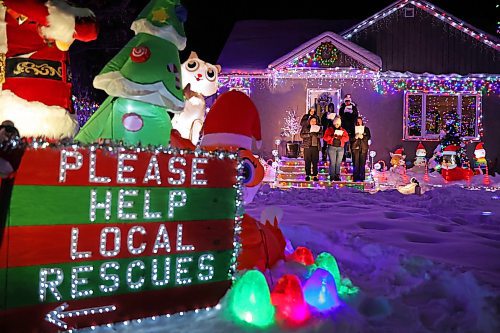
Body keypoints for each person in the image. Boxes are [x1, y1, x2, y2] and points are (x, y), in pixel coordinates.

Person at [323, 116, 349, 181]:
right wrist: (332, 136)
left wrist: (341, 138)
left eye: (338, 124)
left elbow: (347, 138)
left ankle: (337, 176)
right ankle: (332, 176)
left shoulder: (343, 130)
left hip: (340, 148)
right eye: (335, 124)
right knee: (332, 162)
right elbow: (325, 138)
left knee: (338, 163)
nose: (337, 125)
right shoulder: (330, 129)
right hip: (332, 147)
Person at [339, 94, 359, 160]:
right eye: (346, 101)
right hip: (344, 127)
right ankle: (343, 156)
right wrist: (345, 113)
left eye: (348, 101)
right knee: (344, 143)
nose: (347, 102)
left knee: (352, 143)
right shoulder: (342, 108)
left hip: (351, 127)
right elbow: (341, 116)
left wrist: (352, 113)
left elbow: (356, 116)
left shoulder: (354, 108)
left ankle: (352, 156)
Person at [351, 117, 371, 182]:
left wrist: (363, 137)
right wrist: (355, 137)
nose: (359, 123)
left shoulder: (366, 129)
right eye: (357, 121)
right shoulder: (353, 129)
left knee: (362, 163)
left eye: (360, 121)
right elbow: (350, 139)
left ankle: (362, 177)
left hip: (363, 148)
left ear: (362, 122)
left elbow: (368, 137)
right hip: (355, 147)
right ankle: (355, 177)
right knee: (355, 163)